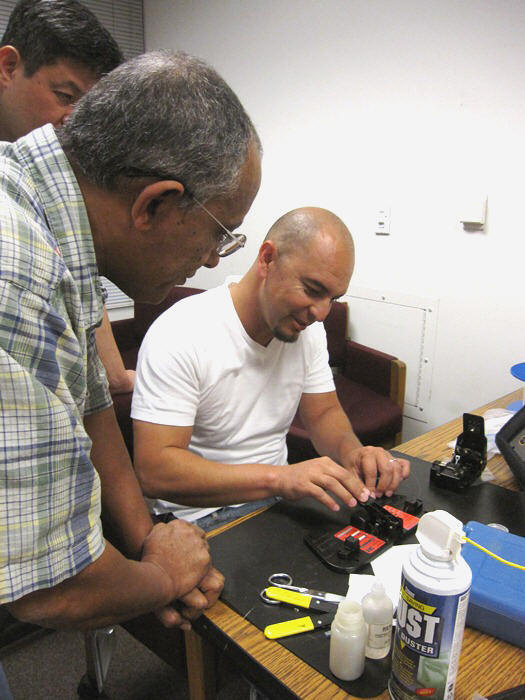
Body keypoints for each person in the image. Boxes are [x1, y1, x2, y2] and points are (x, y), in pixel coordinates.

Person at [0, 51, 261, 636]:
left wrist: (152, 545)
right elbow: (51, 591)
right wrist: (165, 578)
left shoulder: (58, 226)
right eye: (220, 233)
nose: (213, 259)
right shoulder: (18, 274)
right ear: (155, 204)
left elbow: (94, 406)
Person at [131, 207, 410, 528]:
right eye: (313, 290)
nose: (321, 313)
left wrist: (354, 454)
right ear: (267, 259)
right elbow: (155, 471)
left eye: (332, 298)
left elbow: (323, 415)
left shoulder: (309, 331)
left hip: (276, 501)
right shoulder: (182, 331)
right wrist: (279, 479)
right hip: (197, 515)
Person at [0, 0, 134, 397]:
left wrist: (117, 377)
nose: (75, 122)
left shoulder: (50, 174)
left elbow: (78, 274)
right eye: (64, 95)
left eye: (88, 108)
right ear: (8, 67)